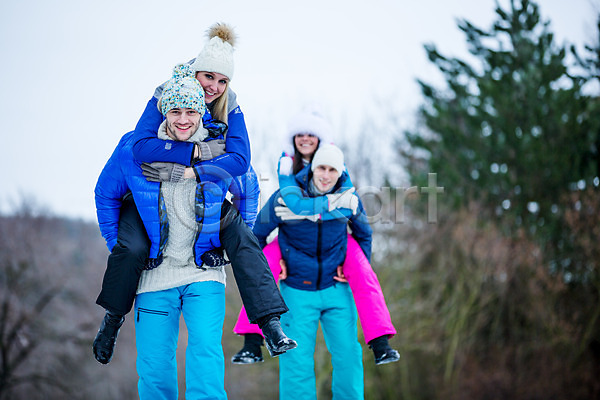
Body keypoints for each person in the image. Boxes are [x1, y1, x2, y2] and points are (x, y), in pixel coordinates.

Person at [92, 23, 296, 367]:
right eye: (208, 77)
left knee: (243, 238)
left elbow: (245, 173)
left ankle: (270, 324)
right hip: (148, 209)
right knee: (131, 248)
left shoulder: (226, 114)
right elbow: (137, 153)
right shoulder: (158, 103)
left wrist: (201, 165)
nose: (213, 87)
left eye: (222, 81)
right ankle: (112, 319)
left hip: (206, 208)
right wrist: (115, 242)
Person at [231, 110, 400, 366]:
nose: (306, 138)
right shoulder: (287, 166)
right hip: (293, 233)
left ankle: (381, 343)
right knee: (262, 266)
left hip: (333, 237)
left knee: (364, 271)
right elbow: (270, 220)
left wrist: (350, 261)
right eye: (300, 134)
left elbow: (357, 216)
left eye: (312, 134)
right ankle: (252, 341)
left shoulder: (335, 168)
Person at [251, 143, 373, 399]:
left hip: (336, 289)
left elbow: (364, 235)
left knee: (349, 356)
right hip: (296, 291)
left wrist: (353, 269)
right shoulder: (285, 197)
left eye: (332, 170)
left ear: (340, 173)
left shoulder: (348, 199)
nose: (326, 175)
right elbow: (256, 237)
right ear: (312, 169)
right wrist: (272, 270)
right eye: (322, 168)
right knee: (296, 360)